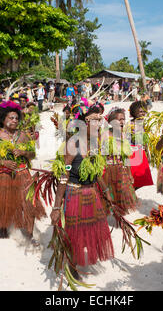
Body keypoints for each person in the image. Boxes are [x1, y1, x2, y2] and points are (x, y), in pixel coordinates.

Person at [50, 107, 115, 278]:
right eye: (94, 120)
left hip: (91, 193)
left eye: (100, 119)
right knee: (74, 233)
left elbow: (95, 171)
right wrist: (56, 207)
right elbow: (64, 175)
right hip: (74, 194)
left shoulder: (94, 144)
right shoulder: (73, 144)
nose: (98, 123)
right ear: (84, 123)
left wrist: (106, 190)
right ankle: (72, 265)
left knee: (89, 229)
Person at [0, 101, 45, 243]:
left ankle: (29, 234)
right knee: (3, 203)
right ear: (3, 119)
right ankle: (3, 228)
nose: (14, 120)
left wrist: (24, 152)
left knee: (29, 203)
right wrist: (3, 162)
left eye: (16, 118)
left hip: (22, 173)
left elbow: (33, 154)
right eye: (11, 118)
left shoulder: (23, 135)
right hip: (2, 175)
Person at [101, 107, 139, 216]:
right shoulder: (105, 135)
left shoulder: (123, 136)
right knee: (107, 199)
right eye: (119, 119)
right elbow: (100, 156)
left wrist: (130, 173)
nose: (122, 122)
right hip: (107, 170)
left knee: (121, 199)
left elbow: (125, 157)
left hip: (121, 170)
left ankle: (119, 218)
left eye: (123, 119)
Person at [128, 101, 153, 190]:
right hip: (133, 153)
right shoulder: (130, 124)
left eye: (143, 111)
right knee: (134, 178)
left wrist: (147, 153)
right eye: (140, 111)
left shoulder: (144, 124)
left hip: (141, 153)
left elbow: (144, 141)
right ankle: (130, 194)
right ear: (134, 112)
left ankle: (131, 194)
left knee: (142, 179)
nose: (142, 113)